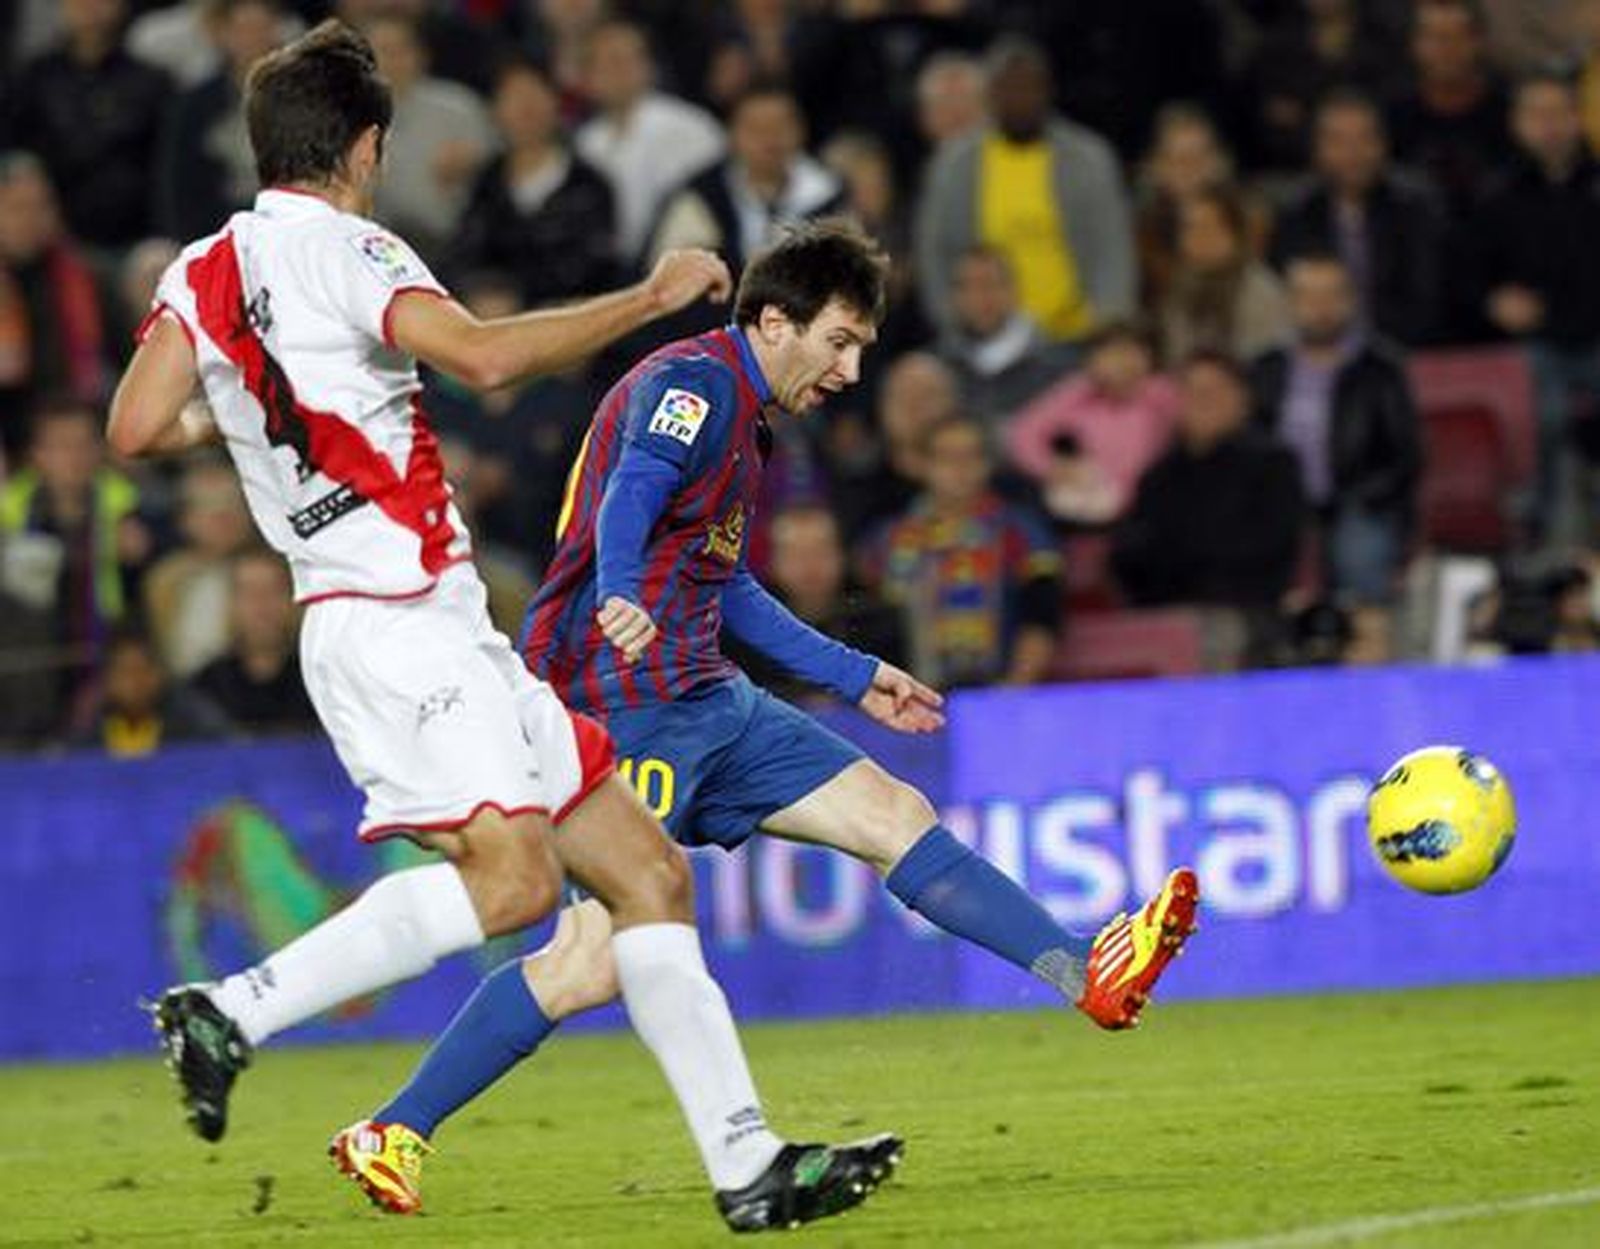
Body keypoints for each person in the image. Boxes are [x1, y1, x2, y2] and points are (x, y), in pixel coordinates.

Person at [113, 23, 898, 1233]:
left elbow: (135, 427)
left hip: (420, 623)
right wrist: (647, 298)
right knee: (518, 884)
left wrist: (263, 416)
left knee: (646, 873)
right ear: (366, 147)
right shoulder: (356, 248)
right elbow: (479, 359)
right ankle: (234, 1006)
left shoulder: (202, 269)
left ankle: (750, 1166)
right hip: (395, 623)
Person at [341, 220, 1200, 1215]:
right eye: (839, 342)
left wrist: (854, 672)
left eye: (862, 349)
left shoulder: (745, 422)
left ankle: (1085, 972)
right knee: (591, 958)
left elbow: (725, 585)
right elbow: (632, 492)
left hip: (707, 694)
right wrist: (618, 592)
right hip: (619, 704)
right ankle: (393, 1127)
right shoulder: (693, 387)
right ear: (774, 322)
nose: (849, 371)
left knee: (893, 814)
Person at [915, 35, 1136, 345]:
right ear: (991, 95)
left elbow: (1112, 251)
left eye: (1029, 88)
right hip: (983, 343)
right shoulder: (955, 164)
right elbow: (935, 255)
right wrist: (952, 328)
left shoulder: (1089, 159)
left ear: (1048, 91)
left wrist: (1108, 328)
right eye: (1008, 89)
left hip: (1076, 339)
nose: (1019, 99)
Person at [1250, 253, 1421, 605]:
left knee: (1359, 552)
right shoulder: (1265, 369)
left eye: (1332, 295)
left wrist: (1367, 496)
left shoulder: (1381, 369)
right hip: (1280, 504)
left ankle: (1370, 631)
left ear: (1351, 301)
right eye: (1309, 296)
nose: (1321, 308)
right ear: (1290, 303)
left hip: (1358, 501)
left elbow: (1406, 454)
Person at [1475, 71, 1600, 542]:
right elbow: (1467, 274)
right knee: (1541, 415)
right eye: (1536, 114)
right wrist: (1492, 300)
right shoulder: (1495, 193)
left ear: (1578, 118)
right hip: (1533, 342)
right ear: (1517, 123)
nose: (1549, 125)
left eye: (1559, 113)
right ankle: (1539, 531)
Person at [865, 415, 1065, 689]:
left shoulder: (1021, 531)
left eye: (972, 456)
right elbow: (874, 625)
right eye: (947, 458)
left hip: (998, 691)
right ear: (923, 464)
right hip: (911, 695)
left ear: (988, 463)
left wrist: (1014, 688)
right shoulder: (889, 538)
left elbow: (1042, 614)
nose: (961, 468)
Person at [1113, 351, 1306, 610]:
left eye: (1214, 391)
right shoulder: (1158, 475)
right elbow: (1130, 552)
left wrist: (1178, 553)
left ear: (1243, 399)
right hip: (1163, 608)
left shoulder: (1273, 464)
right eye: (1191, 391)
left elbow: (1270, 549)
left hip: (1242, 606)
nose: (1202, 401)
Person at [1271, 90, 1447, 347]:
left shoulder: (1415, 208)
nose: (1353, 153)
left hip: (1406, 349)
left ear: (1383, 145)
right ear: (1317, 150)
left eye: (1365, 139)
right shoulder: (1297, 212)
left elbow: (1428, 299)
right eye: (1338, 141)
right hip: (1319, 349)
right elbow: (1289, 296)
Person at [449, 55, 619, 311]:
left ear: (556, 103)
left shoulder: (590, 185)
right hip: (491, 316)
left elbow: (595, 268)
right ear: (494, 110)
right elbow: (464, 254)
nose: (525, 108)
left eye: (535, 93)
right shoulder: (486, 183)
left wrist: (523, 299)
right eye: (513, 96)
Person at [0, 0, 171, 249]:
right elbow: (15, 158)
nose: (89, 5)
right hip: (50, 239)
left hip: (135, 239)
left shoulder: (153, 83)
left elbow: (164, 170)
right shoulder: (32, 78)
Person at [574, 19, 726, 268]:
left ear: (649, 66)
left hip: (682, 266)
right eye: (607, 63)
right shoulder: (586, 141)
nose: (618, 72)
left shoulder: (691, 127)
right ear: (587, 76)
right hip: (612, 270)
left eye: (627, 60)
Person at [1006, 320, 1180, 525]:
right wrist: (1052, 469)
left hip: (1147, 514)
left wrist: (1137, 384)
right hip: (1082, 512)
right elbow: (1022, 433)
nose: (1121, 362)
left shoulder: (1159, 396)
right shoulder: (1079, 395)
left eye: (1131, 352)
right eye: (1111, 354)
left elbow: (1182, 413)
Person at [935, 245, 1079, 436]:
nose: (979, 297)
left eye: (989, 284)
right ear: (953, 297)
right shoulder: (936, 368)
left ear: (1013, 290)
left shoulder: (1059, 367)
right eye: (966, 287)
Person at [1157, 185, 1292, 365]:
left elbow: (1265, 366)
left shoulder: (1261, 291)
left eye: (1208, 227)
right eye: (1189, 228)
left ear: (1235, 234)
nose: (1198, 237)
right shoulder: (1179, 288)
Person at [189, 546, 319, 733]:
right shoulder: (204, 691)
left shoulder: (321, 682)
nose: (261, 604)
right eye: (248, 592)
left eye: (274, 590)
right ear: (231, 604)